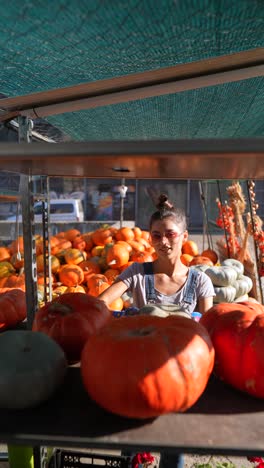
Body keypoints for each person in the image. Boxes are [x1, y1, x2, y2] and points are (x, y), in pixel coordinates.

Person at [99, 193, 215, 468]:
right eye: (156, 235)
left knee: (172, 444)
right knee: (131, 438)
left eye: (170, 234)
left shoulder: (200, 281)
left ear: (184, 236)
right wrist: (124, 316)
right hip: (138, 370)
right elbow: (100, 304)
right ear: (149, 237)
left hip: (181, 374)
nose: (163, 242)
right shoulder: (137, 273)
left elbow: (209, 329)